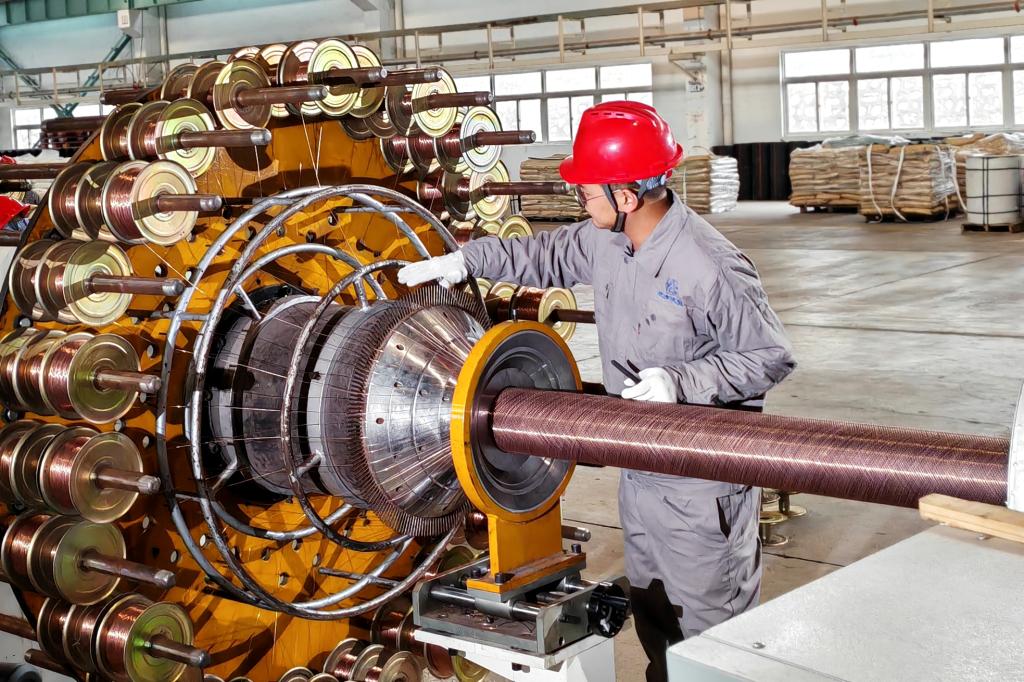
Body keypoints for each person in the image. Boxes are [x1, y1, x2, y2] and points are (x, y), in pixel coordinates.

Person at [398, 101, 796, 682]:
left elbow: (770, 356)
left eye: (585, 192)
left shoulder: (708, 265)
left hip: (700, 486)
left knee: (711, 639)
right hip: (639, 470)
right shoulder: (607, 239)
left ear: (626, 195)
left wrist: (682, 381)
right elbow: (543, 253)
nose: (580, 202)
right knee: (657, 617)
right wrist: (467, 261)